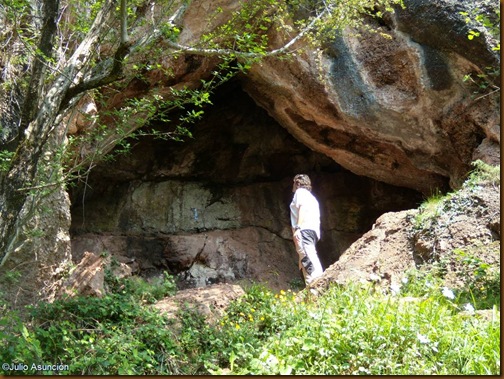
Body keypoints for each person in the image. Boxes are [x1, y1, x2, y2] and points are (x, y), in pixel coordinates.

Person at [290, 174, 324, 285]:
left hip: (303, 229)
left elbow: (302, 208)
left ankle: (317, 282)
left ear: (297, 183)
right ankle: (311, 286)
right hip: (312, 231)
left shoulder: (300, 193)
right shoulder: (312, 198)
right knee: (306, 256)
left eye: (294, 183)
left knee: (307, 256)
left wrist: (298, 228)